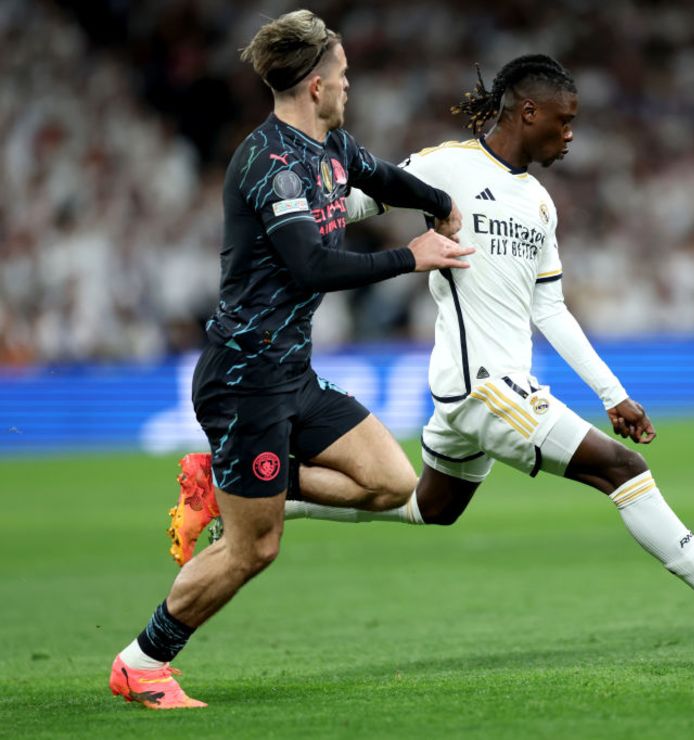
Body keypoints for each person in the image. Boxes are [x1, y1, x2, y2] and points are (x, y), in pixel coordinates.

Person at [171, 54, 694, 662]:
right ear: (527, 113)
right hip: (484, 386)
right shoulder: (444, 166)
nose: (570, 136)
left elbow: (550, 309)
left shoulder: (539, 204)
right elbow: (350, 200)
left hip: (482, 391)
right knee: (621, 468)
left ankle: (248, 493)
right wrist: (291, 239)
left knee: (432, 505)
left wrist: (611, 392)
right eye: (564, 121)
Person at [109, 10, 474, 710]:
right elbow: (308, 264)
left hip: (292, 375)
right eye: (341, 76)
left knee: (392, 481)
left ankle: (230, 487)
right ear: (313, 85)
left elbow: (385, 178)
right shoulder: (270, 163)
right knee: (256, 548)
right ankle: (142, 661)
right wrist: (412, 255)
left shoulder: (330, 146)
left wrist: (440, 204)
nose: (348, 86)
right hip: (244, 381)